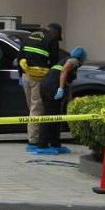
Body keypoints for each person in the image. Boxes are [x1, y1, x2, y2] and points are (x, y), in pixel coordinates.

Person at [31, 46, 87, 155]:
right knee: (50, 116)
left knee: (56, 116)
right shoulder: (73, 60)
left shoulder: (66, 62)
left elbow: (68, 82)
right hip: (51, 88)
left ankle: (55, 143)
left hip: (48, 87)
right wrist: (60, 89)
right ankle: (42, 145)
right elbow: (64, 71)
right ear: (81, 58)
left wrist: (69, 98)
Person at [17, 23, 62, 151]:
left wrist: (21, 75)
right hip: (39, 77)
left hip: (25, 75)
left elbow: (20, 56)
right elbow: (54, 63)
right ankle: (34, 141)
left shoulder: (29, 36)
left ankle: (33, 137)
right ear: (56, 33)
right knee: (37, 109)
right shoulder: (51, 40)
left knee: (32, 108)